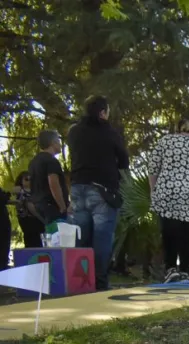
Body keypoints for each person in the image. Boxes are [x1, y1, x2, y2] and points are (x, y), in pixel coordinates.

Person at [66, 96, 130, 291]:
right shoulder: (109, 132)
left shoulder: (74, 132)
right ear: (102, 112)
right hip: (102, 190)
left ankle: (80, 283)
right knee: (102, 238)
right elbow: (124, 160)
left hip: (78, 188)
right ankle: (100, 283)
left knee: (82, 237)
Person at [148, 117, 189, 283]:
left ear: (177, 129)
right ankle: (185, 271)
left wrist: (153, 190)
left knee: (170, 232)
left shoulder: (165, 141)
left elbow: (153, 168)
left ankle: (170, 270)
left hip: (170, 191)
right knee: (187, 234)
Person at [28, 130, 69, 227]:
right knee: (59, 237)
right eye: (58, 142)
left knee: (50, 235)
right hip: (52, 206)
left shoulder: (33, 162)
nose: (60, 145)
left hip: (39, 205)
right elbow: (53, 183)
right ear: (52, 143)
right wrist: (62, 206)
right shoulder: (51, 161)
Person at [13, 172, 44, 248]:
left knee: (39, 241)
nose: (29, 180)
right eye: (26, 179)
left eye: (31, 179)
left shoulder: (36, 191)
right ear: (21, 181)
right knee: (31, 240)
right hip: (27, 220)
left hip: (37, 220)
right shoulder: (21, 191)